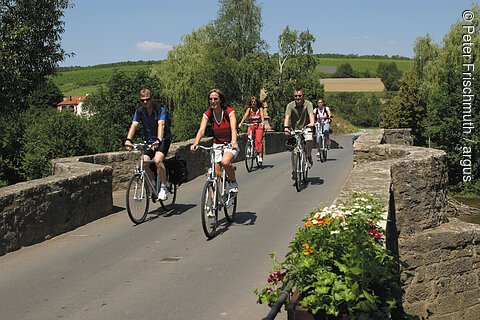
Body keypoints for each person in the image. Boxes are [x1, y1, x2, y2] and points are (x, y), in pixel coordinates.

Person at [124, 89, 172, 201]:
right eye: (142, 100)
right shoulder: (140, 111)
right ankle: (153, 182)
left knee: (157, 160)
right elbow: (134, 125)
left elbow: (161, 124)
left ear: (151, 98)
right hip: (149, 140)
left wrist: (158, 140)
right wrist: (128, 140)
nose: (145, 102)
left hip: (163, 139)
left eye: (147, 99)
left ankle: (164, 187)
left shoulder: (159, 108)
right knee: (144, 161)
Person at [190, 88, 239, 193]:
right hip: (216, 144)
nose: (213, 101)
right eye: (210, 99)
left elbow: (233, 128)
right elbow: (202, 129)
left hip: (229, 144)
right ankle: (213, 205)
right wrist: (196, 143)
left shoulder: (229, 112)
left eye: (215, 99)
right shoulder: (208, 113)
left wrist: (234, 141)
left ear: (220, 100)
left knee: (225, 162)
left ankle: (233, 182)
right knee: (216, 175)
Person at [283, 88, 315, 179]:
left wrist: (312, 123)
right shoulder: (290, 105)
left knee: (309, 139)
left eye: (300, 96)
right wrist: (286, 127)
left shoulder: (308, 104)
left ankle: (308, 156)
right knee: (294, 151)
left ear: (303, 96)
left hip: (306, 127)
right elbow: (287, 117)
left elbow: (311, 115)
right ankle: (294, 170)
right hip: (295, 129)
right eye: (296, 96)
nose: (298, 98)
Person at [238, 96, 265, 164]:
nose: (253, 103)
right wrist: (241, 123)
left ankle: (260, 155)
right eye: (252, 102)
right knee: (249, 135)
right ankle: (250, 148)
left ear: (256, 102)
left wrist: (262, 122)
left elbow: (262, 116)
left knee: (258, 140)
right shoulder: (249, 109)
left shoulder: (260, 109)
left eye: (254, 102)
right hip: (252, 125)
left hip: (259, 125)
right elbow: (245, 116)